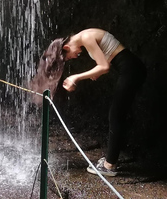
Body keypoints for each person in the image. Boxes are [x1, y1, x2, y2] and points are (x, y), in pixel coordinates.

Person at [57, 28, 146, 176]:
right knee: (118, 113)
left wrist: (76, 77)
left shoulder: (85, 37)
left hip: (131, 69)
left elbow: (103, 67)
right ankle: (111, 160)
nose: (74, 57)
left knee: (116, 115)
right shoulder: (85, 35)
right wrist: (95, 73)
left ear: (66, 47)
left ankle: (109, 166)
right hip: (131, 69)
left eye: (69, 57)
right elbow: (106, 63)